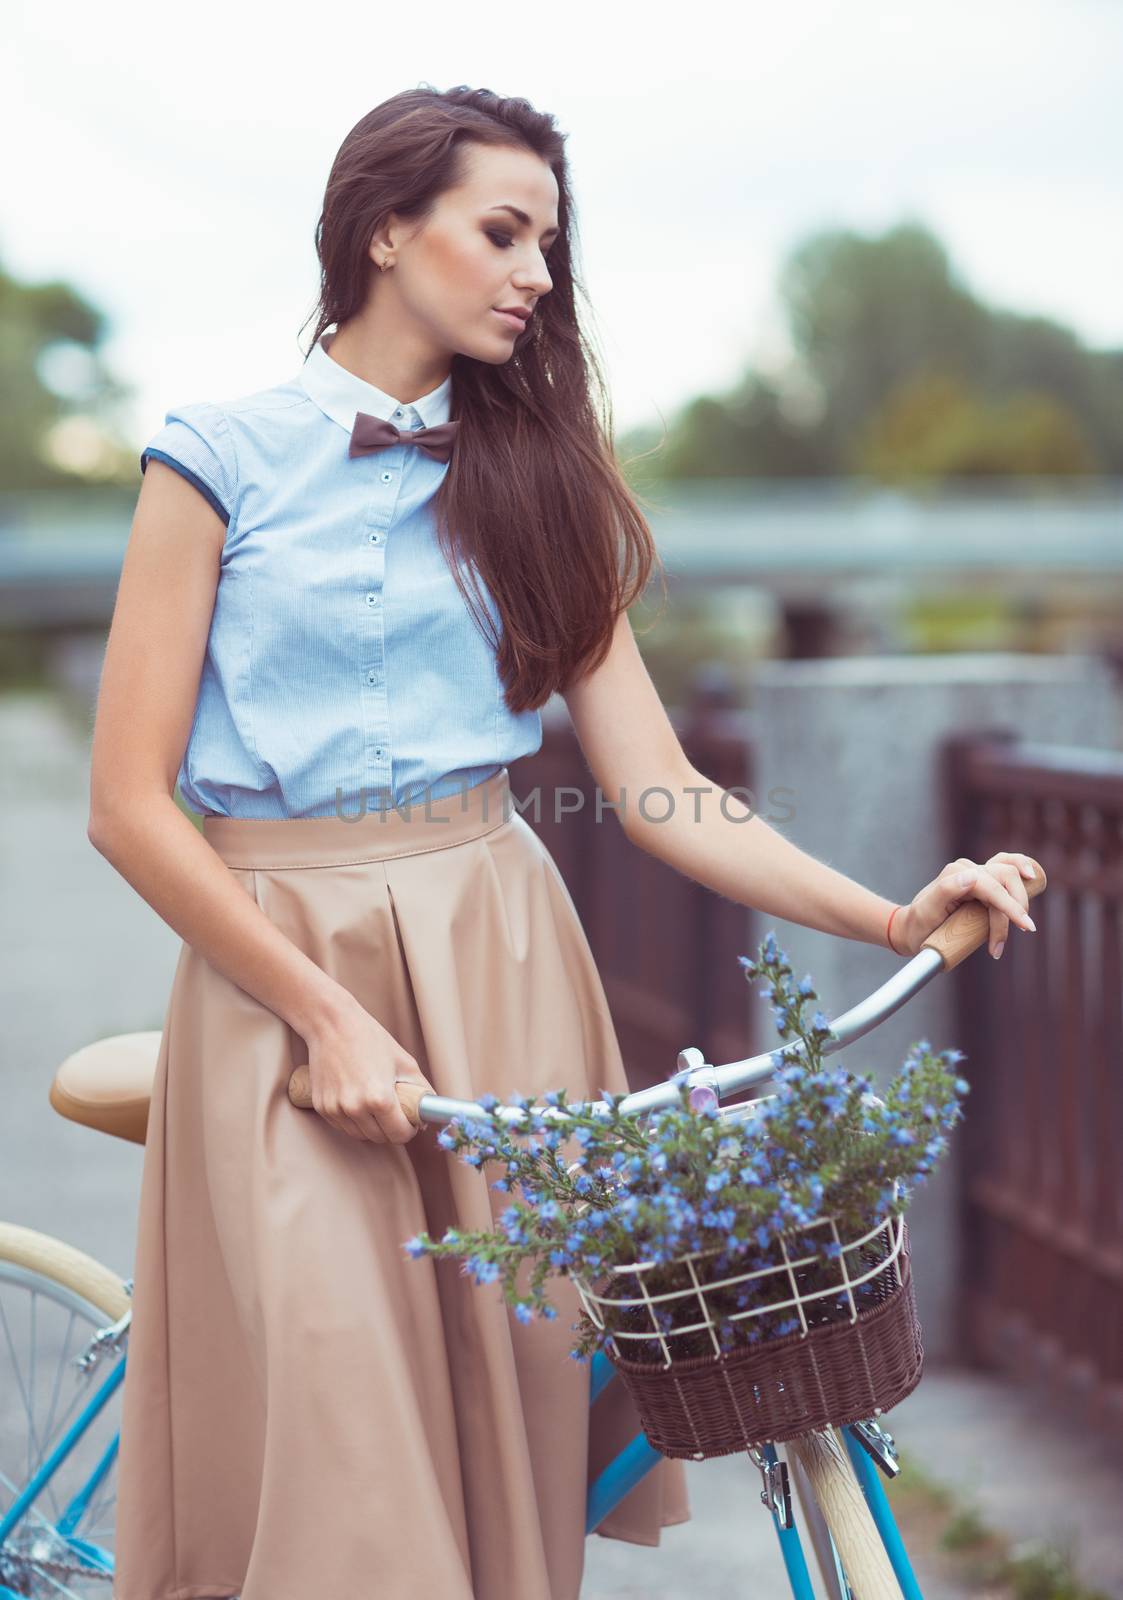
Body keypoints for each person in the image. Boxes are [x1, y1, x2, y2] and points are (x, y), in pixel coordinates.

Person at [90, 84, 1038, 1600]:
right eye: (502, 230)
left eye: (551, 240)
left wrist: (885, 914)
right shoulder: (212, 458)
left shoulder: (543, 483)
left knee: (517, 1421)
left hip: (501, 958)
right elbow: (128, 805)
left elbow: (658, 788)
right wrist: (324, 1012)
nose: (538, 270)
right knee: (341, 1438)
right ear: (386, 230)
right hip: (284, 979)